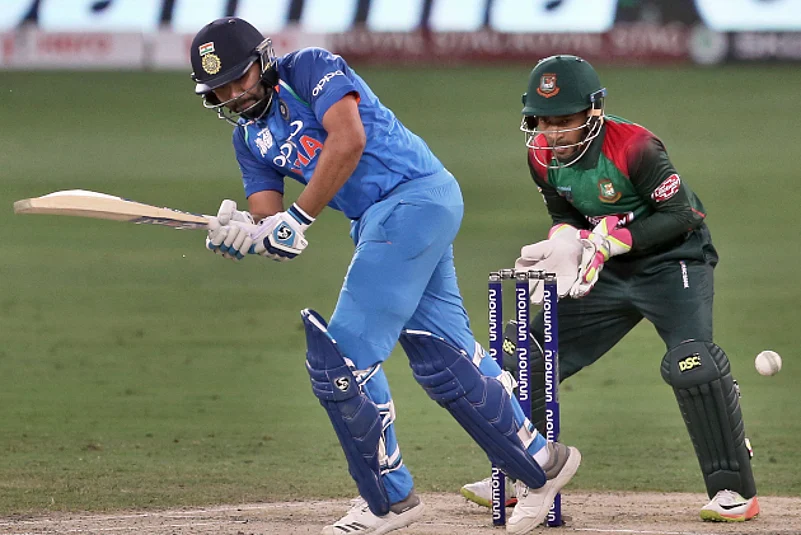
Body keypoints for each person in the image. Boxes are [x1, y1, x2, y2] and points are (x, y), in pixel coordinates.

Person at [189, 18, 581, 535]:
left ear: (262, 62)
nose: (233, 95)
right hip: (379, 221)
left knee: (343, 358)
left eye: (239, 79)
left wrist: (297, 220)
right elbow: (271, 222)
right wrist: (244, 233)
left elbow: (348, 139)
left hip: (414, 198)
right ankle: (543, 464)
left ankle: (390, 500)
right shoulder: (248, 139)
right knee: (440, 357)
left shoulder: (309, 69)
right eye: (219, 89)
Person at [460, 54, 759, 523]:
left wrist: (612, 241)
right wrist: (566, 243)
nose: (552, 133)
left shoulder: (636, 147)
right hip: (605, 267)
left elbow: (684, 215)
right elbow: (564, 214)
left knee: (693, 366)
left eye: (564, 120)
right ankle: (528, 473)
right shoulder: (541, 156)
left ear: (593, 112)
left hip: (673, 262)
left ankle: (734, 491)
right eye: (543, 121)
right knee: (526, 357)